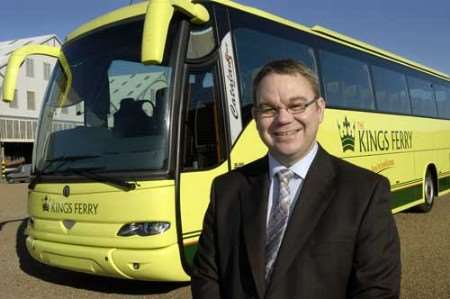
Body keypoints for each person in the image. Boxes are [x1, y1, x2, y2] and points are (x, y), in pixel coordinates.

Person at [191, 59, 401, 299]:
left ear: (319, 109)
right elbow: (206, 276)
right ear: (256, 116)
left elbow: (377, 291)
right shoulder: (226, 189)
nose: (283, 119)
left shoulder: (365, 193)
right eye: (269, 108)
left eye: (297, 105)